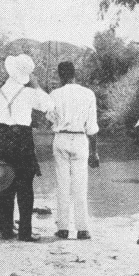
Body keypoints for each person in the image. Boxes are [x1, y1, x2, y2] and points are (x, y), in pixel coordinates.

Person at [0, 54, 53, 242]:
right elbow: (48, 105)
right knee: (25, 189)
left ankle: (6, 230)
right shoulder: (29, 93)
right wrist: (36, 85)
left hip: (2, 140)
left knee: (5, 185)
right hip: (22, 140)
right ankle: (25, 233)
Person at [47, 61, 99, 240]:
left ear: (60, 75)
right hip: (80, 139)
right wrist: (95, 152)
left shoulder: (54, 94)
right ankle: (82, 229)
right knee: (80, 185)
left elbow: (50, 120)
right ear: (74, 74)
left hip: (61, 138)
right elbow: (92, 127)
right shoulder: (88, 94)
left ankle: (63, 228)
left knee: (62, 184)